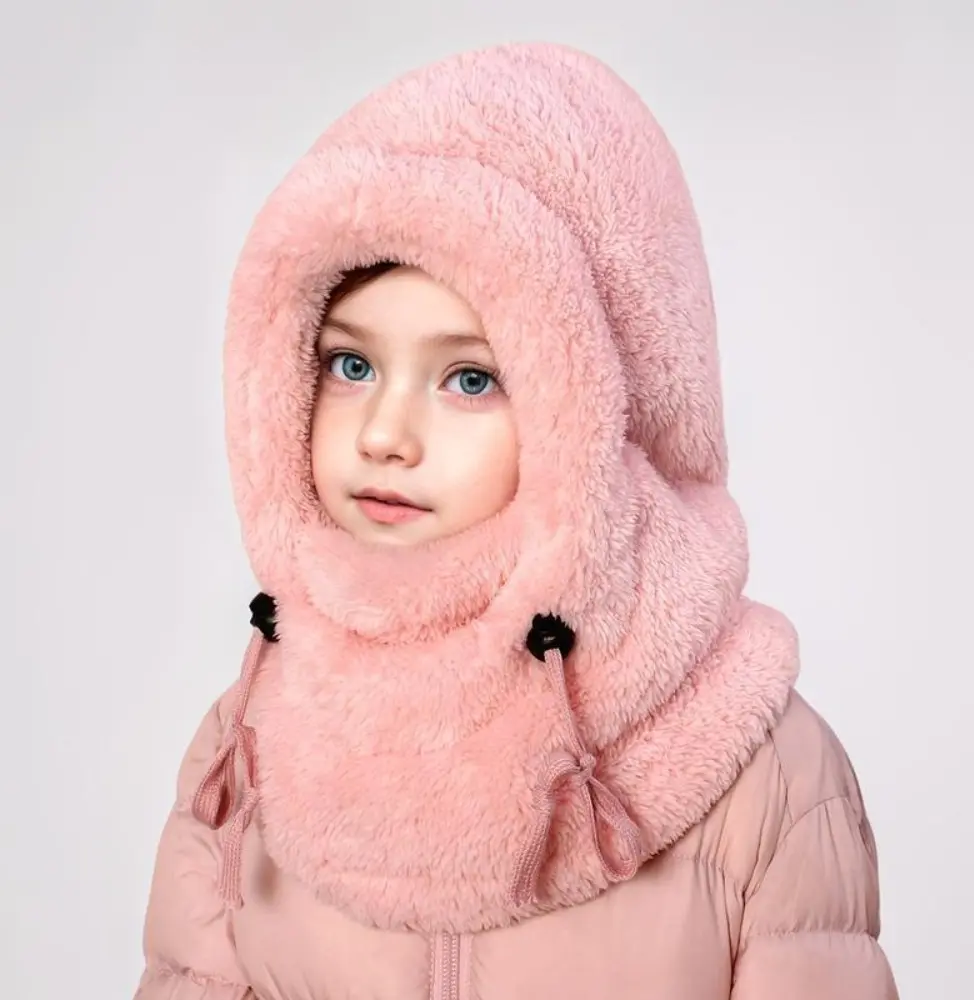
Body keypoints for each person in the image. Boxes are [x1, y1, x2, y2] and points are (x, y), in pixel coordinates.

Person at [134, 42, 898, 1000]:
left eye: (470, 379)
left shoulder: (759, 761)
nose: (384, 435)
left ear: (605, 406)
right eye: (351, 365)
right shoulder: (251, 740)